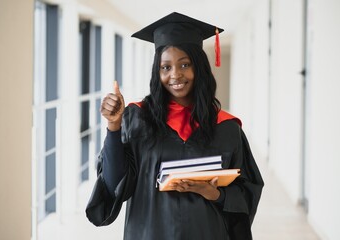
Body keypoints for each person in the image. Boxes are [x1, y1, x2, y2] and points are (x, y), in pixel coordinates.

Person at [86, 12, 264, 240]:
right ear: (156, 71)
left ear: (198, 67)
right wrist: (114, 125)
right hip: (149, 233)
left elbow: (246, 193)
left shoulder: (226, 128)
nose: (175, 74)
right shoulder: (137, 119)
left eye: (185, 64)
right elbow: (115, 183)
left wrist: (216, 193)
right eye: (165, 67)